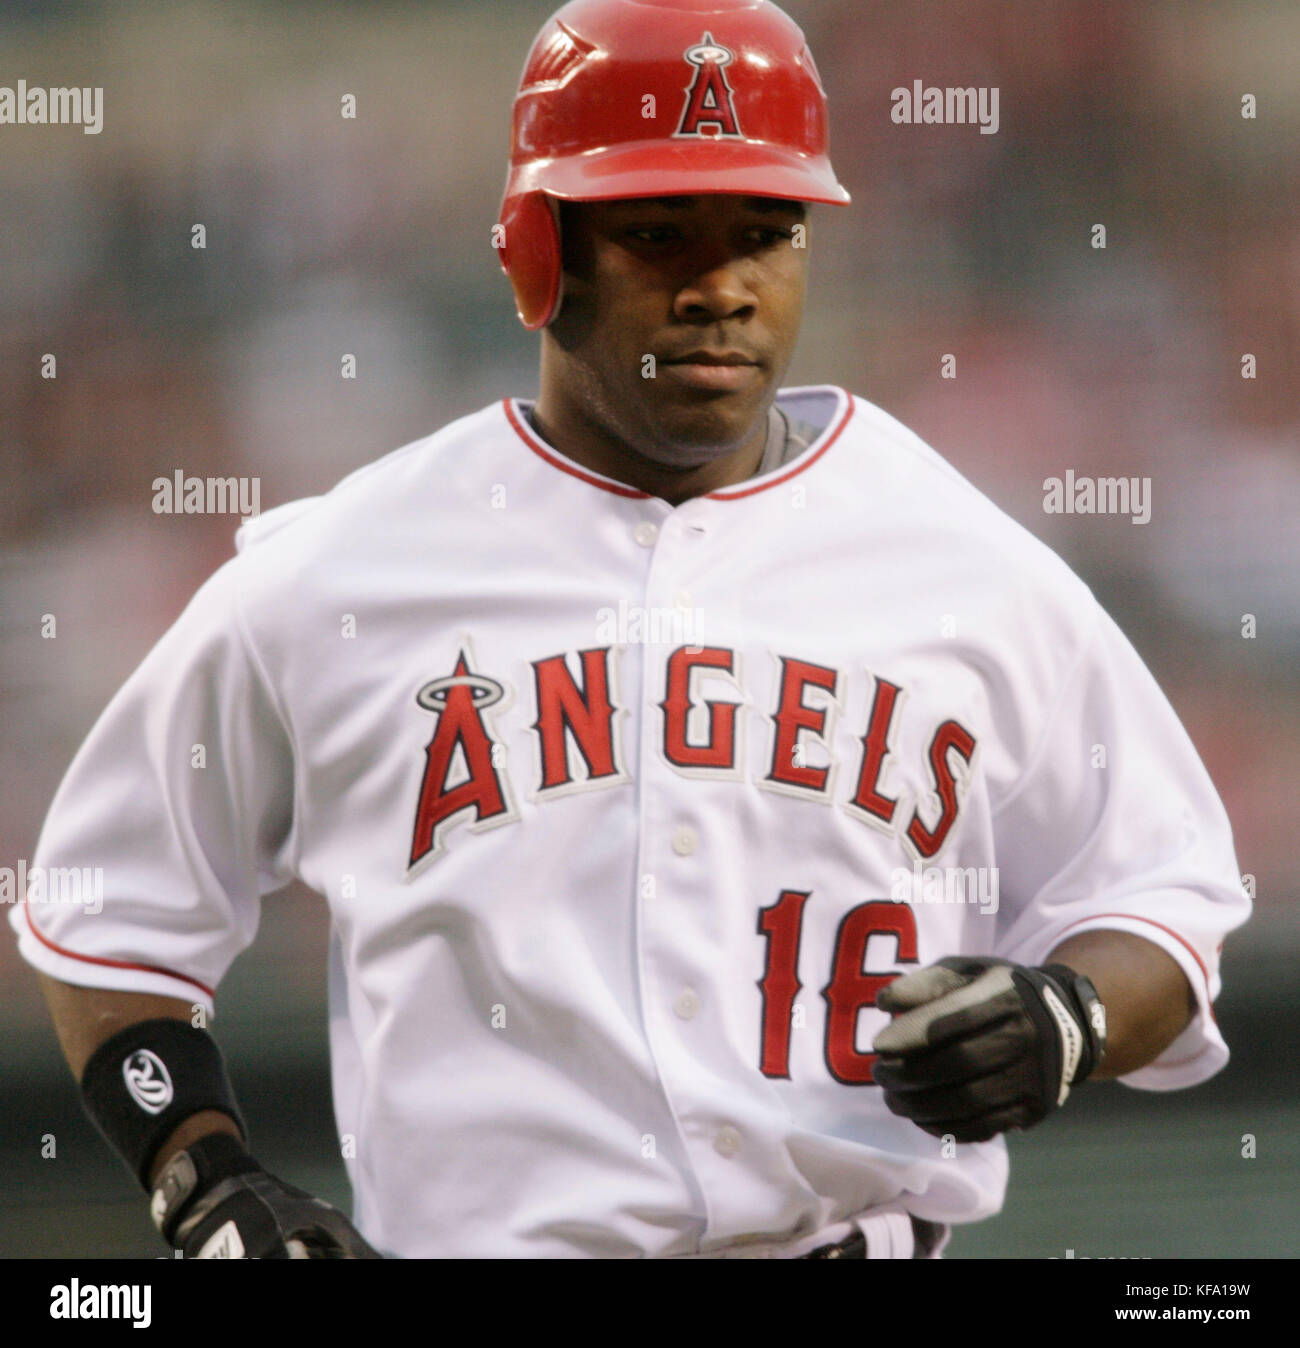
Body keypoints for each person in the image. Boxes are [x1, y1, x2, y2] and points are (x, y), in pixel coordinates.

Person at [13, 0, 1250, 1260]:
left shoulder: (963, 562)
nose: (723, 289)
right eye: (662, 235)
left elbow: (1163, 894)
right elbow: (106, 900)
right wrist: (200, 1175)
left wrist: (1070, 1015)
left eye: (764, 234)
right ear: (534, 252)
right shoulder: (341, 572)